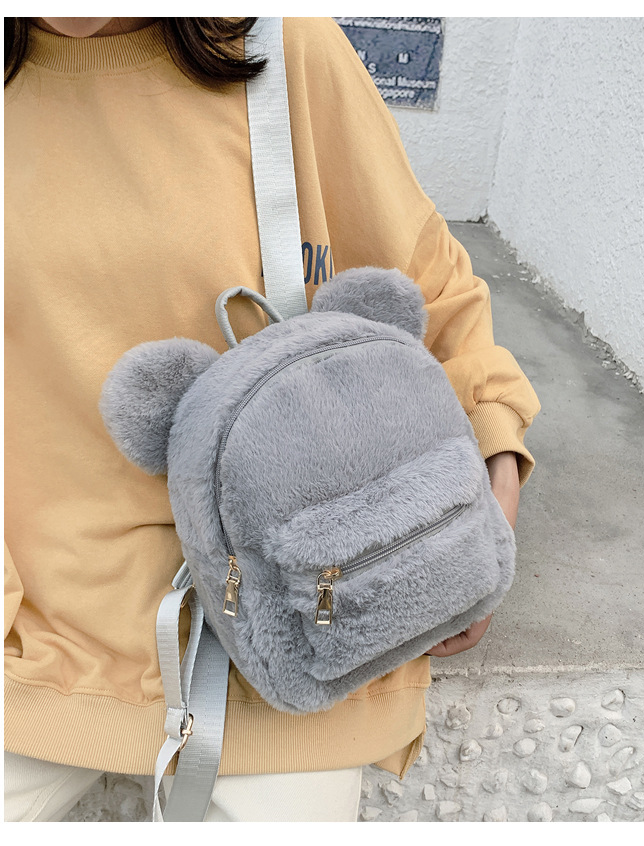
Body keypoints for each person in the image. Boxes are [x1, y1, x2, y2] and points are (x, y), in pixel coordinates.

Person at [4, 17, 540, 822]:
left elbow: (424, 278)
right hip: (33, 632)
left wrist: (493, 466)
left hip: (295, 614)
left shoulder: (282, 45)